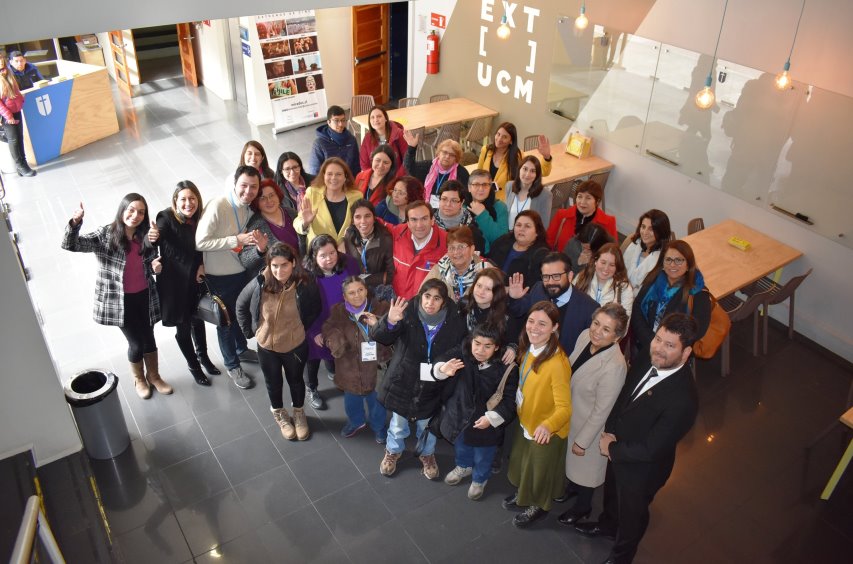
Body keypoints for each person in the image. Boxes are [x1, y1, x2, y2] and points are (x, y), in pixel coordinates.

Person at [574, 313, 700, 564]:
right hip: (617, 446)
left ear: (686, 353)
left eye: (670, 345)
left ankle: (621, 557)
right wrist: (610, 431)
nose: (659, 348)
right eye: (658, 339)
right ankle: (608, 525)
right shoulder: (648, 357)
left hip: (642, 470)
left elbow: (652, 449)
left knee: (633, 517)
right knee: (611, 495)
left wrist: (613, 448)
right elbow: (624, 396)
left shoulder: (685, 400)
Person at [62, 194, 170, 399]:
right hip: (120, 301)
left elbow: (151, 262)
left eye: (140, 212)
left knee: (149, 338)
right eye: (131, 210)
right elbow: (71, 244)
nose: (135, 215)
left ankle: (154, 376)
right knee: (136, 344)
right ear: (122, 210)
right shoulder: (105, 234)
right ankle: (139, 379)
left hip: (145, 296)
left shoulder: (145, 235)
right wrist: (75, 223)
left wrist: (156, 266)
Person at [369, 279, 468, 479]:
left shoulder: (455, 320)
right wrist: (390, 321)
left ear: (444, 301)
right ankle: (393, 451)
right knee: (398, 422)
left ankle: (427, 453)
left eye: (436, 298)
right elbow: (380, 336)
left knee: (427, 424)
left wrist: (444, 364)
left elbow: (459, 348)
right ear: (421, 296)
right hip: (403, 379)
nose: (430, 302)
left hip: (434, 381)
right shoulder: (406, 311)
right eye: (427, 296)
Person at [236, 243, 320, 441]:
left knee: (296, 382)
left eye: (284, 265)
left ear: (293, 263)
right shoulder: (261, 282)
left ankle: (299, 414)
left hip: (295, 345)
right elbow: (241, 303)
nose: (278, 270)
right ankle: (280, 414)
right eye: (274, 266)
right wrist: (250, 332)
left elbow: (316, 308)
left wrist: (301, 328)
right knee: (273, 383)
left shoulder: (305, 283)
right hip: (267, 347)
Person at [558, 303, 628, 526]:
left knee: (586, 472)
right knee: (573, 465)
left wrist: (583, 441)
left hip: (590, 426)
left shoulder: (614, 366)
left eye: (606, 329)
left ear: (617, 337)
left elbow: (602, 411)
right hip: (572, 414)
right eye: (596, 323)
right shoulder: (583, 337)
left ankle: (583, 508)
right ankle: (572, 488)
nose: (597, 331)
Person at [503, 300, 572, 528]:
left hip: (545, 429)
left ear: (554, 328)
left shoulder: (557, 363)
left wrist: (548, 426)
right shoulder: (529, 348)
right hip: (526, 421)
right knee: (525, 463)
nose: (534, 328)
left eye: (543, 324)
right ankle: (524, 494)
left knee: (540, 472)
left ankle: (539, 506)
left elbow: (565, 408)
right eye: (531, 321)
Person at [434, 324, 519, 500]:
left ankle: (480, 479)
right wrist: (442, 369)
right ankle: (463, 466)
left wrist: (491, 418)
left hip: (486, 423)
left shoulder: (507, 369)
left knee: (483, 455)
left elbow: (510, 401)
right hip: (460, 416)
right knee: (461, 446)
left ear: (497, 347)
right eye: (477, 343)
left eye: (487, 346)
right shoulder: (464, 354)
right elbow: (441, 359)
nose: (480, 350)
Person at [196, 165, 262, 390]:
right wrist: (235, 240)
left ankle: (241, 349)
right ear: (234, 184)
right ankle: (232, 365)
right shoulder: (218, 205)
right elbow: (200, 242)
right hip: (219, 276)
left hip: (240, 273)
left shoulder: (248, 209)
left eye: (254, 187)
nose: (248, 191)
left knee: (238, 314)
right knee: (224, 322)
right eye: (244, 185)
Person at [151, 181, 221, 386]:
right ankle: (194, 366)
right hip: (175, 285)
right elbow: (155, 238)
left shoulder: (200, 218)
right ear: (175, 201)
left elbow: (203, 246)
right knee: (183, 327)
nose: (188, 203)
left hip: (195, 280)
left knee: (197, 321)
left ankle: (204, 357)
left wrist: (201, 264)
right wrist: (152, 237)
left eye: (192, 198)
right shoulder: (165, 217)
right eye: (183, 199)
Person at [322, 276, 391, 442]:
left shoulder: (381, 308)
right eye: (351, 293)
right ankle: (356, 422)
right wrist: (335, 339)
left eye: (360, 290)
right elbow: (327, 328)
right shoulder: (338, 311)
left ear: (366, 290)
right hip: (348, 367)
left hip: (375, 368)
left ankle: (379, 427)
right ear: (344, 297)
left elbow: (393, 333)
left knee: (377, 403)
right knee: (351, 400)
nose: (357, 295)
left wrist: (378, 327)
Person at [303, 234, 360, 409]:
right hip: (317, 324)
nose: (329, 259)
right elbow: (302, 308)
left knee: (337, 351)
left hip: (341, 322)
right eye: (323, 255)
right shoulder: (306, 276)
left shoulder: (349, 263)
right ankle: (311, 387)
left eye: (332, 253)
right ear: (314, 257)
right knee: (313, 358)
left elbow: (358, 288)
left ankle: (334, 372)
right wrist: (314, 332)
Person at [631, 240, 711, 364]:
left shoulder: (698, 294)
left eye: (679, 260)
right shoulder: (654, 278)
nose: (672, 265)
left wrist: (663, 346)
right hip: (644, 342)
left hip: (673, 353)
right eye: (668, 259)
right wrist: (650, 340)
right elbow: (637, 307)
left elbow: (697, 331)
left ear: (688, 265)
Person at [508, 251, 599, 356]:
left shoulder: (589, 308)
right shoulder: (539, 289)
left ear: (570, 276)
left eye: (556, 276)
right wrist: (514, 299)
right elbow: (518, 311)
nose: (550, 282)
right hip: (530, 356)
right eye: (546, 277)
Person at [296, 157, 363, 246]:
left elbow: (359, 225)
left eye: (338, 174)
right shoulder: (312, 193)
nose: (333, 178)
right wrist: (305, 223)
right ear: (324, 176)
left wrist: (346, 243)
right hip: (319, 252)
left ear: (345, 177)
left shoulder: (357, 196)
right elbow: (297, 222)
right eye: (329, 174)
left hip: (346, 251)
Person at [388, 200, 448, 299]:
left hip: (426, 309)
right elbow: (373, 224)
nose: (419, 225)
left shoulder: (446, 242)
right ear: (407, 223)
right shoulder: (398, 233)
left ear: (432, 220)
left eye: (424, 219)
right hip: (397, 304)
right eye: (414, 220)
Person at [238, 179, 299, 275]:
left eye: (272, 195)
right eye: (262, 198)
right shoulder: (256, 225)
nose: (269, 201)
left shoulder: (292, 213)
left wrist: (306, 225)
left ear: (278, 195)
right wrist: (259, 250)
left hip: (302, 271)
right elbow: (245, 260)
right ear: (256, 202)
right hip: (279, 278)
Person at [477, 122, 552, 199]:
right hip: (483, 198)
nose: (499, 139)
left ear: (511, 141)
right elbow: (478, 174)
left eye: (505, 137)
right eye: (498, 134)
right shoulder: (485, 150)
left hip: (504, 203)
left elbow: (541, 172)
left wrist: (546, 157)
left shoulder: (517, 156)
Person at [422, 225, 492, 302]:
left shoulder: (486, 272)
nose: (456, 252)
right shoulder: (438, 269)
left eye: (461, 247)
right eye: (452, 248)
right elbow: (422, 298)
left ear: (472, 249)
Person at [340, 199, 394, 298]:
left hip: (379, 291)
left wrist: (364, 281)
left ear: (374, 218)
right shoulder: (349, 235)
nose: (363, 221)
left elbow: (391, 275)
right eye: (358, 217)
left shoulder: (385, 239)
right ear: (352, 220)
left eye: (367, 216)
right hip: (356, 290)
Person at [402, 131, 469, 206]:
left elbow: (465, 197)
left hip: (449, 209)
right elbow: (409, 168)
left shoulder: (461, 173)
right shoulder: (428, 166)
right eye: (444, 152)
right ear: (438, 153)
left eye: (452, 155)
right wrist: (412, 148)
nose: (447, 157)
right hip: (426, 206)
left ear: (456, 159)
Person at [548, 180, 617, 253]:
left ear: (597, 201)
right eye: (580, 197)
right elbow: (548, 242)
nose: (582, 202)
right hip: (561, 261)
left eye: (588, 198)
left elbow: (612, 252)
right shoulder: (562, 215)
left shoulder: (608, 222)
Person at [573, 243, 635, 320]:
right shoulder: (582, 277)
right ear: (596, 261)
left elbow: (623, 326)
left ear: (617, 267)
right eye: (603, 262)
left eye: (612, 265)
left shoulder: (624, 289)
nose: (606, 268)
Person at [487, 210, 550, 283]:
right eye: (518, 225)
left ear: (537, 232)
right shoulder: (503, 241)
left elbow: (535, 285)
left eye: (527, 226)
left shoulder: (542, 255)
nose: (521, 229)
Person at [0, 52, 36, 177]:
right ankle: (20, 166)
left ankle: (24, 163)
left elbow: (15, 92)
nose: (1, 63)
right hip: (6, 116)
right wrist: (8, 116)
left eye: (2, 60)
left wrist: (21, 102)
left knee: (19, 137)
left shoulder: (8, 74)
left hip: (16, 110)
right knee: (13, 140)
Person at [622, 209, 671, 291]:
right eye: (643, 227)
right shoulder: (635, 244)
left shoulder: (664, 259)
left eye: (651, 229)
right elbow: (620, 268)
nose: (645, 232)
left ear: (661, 232)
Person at [307, 105, 360, 175]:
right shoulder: (319, 144)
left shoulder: (351, 140)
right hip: (329, 182)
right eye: (336, 121)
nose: (341, 124)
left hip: (347, 180)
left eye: (343, 120)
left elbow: (356, 166)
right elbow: (314, 171)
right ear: (329, 122)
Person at [505, 155, 553, 229]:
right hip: (508, 235)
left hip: (529, 239)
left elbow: (543, 226)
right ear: (519, 169)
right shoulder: (509, 186)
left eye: (532, 171)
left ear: (537, 175)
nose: (527, 174)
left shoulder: (545, 195)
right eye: (525, 169)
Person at [467, 169, 508, 254]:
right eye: (476, 184)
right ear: (469, 188)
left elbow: (501, 238)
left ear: (490, 187)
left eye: (485, 185)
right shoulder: (462, 205)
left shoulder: (500, 207)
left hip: (491, 255)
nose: (481, 188)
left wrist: (482, 214)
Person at [359, 106, 408, 175]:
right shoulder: (367, 138)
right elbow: (364, 164)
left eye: (379, 116)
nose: (376, 120)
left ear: (385, 118)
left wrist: (397, 179)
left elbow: (406, 161)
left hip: (396, 177)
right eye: (372, 117)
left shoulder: (399, 134)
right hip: (376, 178)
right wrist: (374, 178)